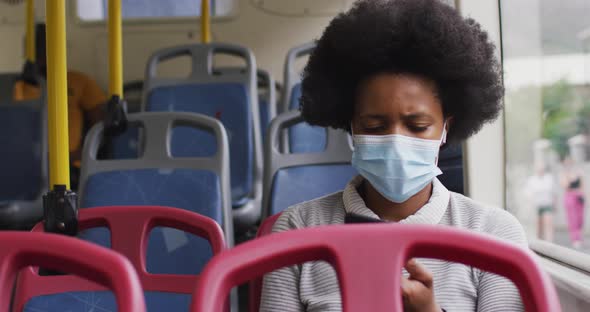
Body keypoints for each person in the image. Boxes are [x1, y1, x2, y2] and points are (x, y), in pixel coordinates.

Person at [260, 0, 526, 311]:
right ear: (351, 127)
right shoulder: (299, 228)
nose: (397, 141)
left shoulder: (494, 233)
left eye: (418, 126)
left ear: (445, 128)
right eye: (374, 126)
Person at [14, 23, 107, 189]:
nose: (41, 53)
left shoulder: (79, 81)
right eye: (37, 48)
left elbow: (100, 124)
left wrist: (81, 153)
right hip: (30, 164)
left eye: (45, 46)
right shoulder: (19, 86)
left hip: (70, 163)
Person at [525, 162, 555, 241]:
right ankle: (539, 241)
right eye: (539, 169)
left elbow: (553, 192)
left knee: (548, 223)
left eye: (542, 169)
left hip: (547, 204)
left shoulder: (549, 178)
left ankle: (549, 242)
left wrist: (554, 204)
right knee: (538, 225)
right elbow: (528, 193)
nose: (541, 170)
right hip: (537, 205)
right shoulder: (532, 180)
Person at [560, 157, 585, 249]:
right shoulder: (563, 174)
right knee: (573, 218)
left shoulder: (578, 173)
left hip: (579, 196)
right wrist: (568, 176)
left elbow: (582, 185)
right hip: (570, 196)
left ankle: (579, 236)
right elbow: (565, 185)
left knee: (580, 219)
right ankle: (575, 239)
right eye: (566, 164)